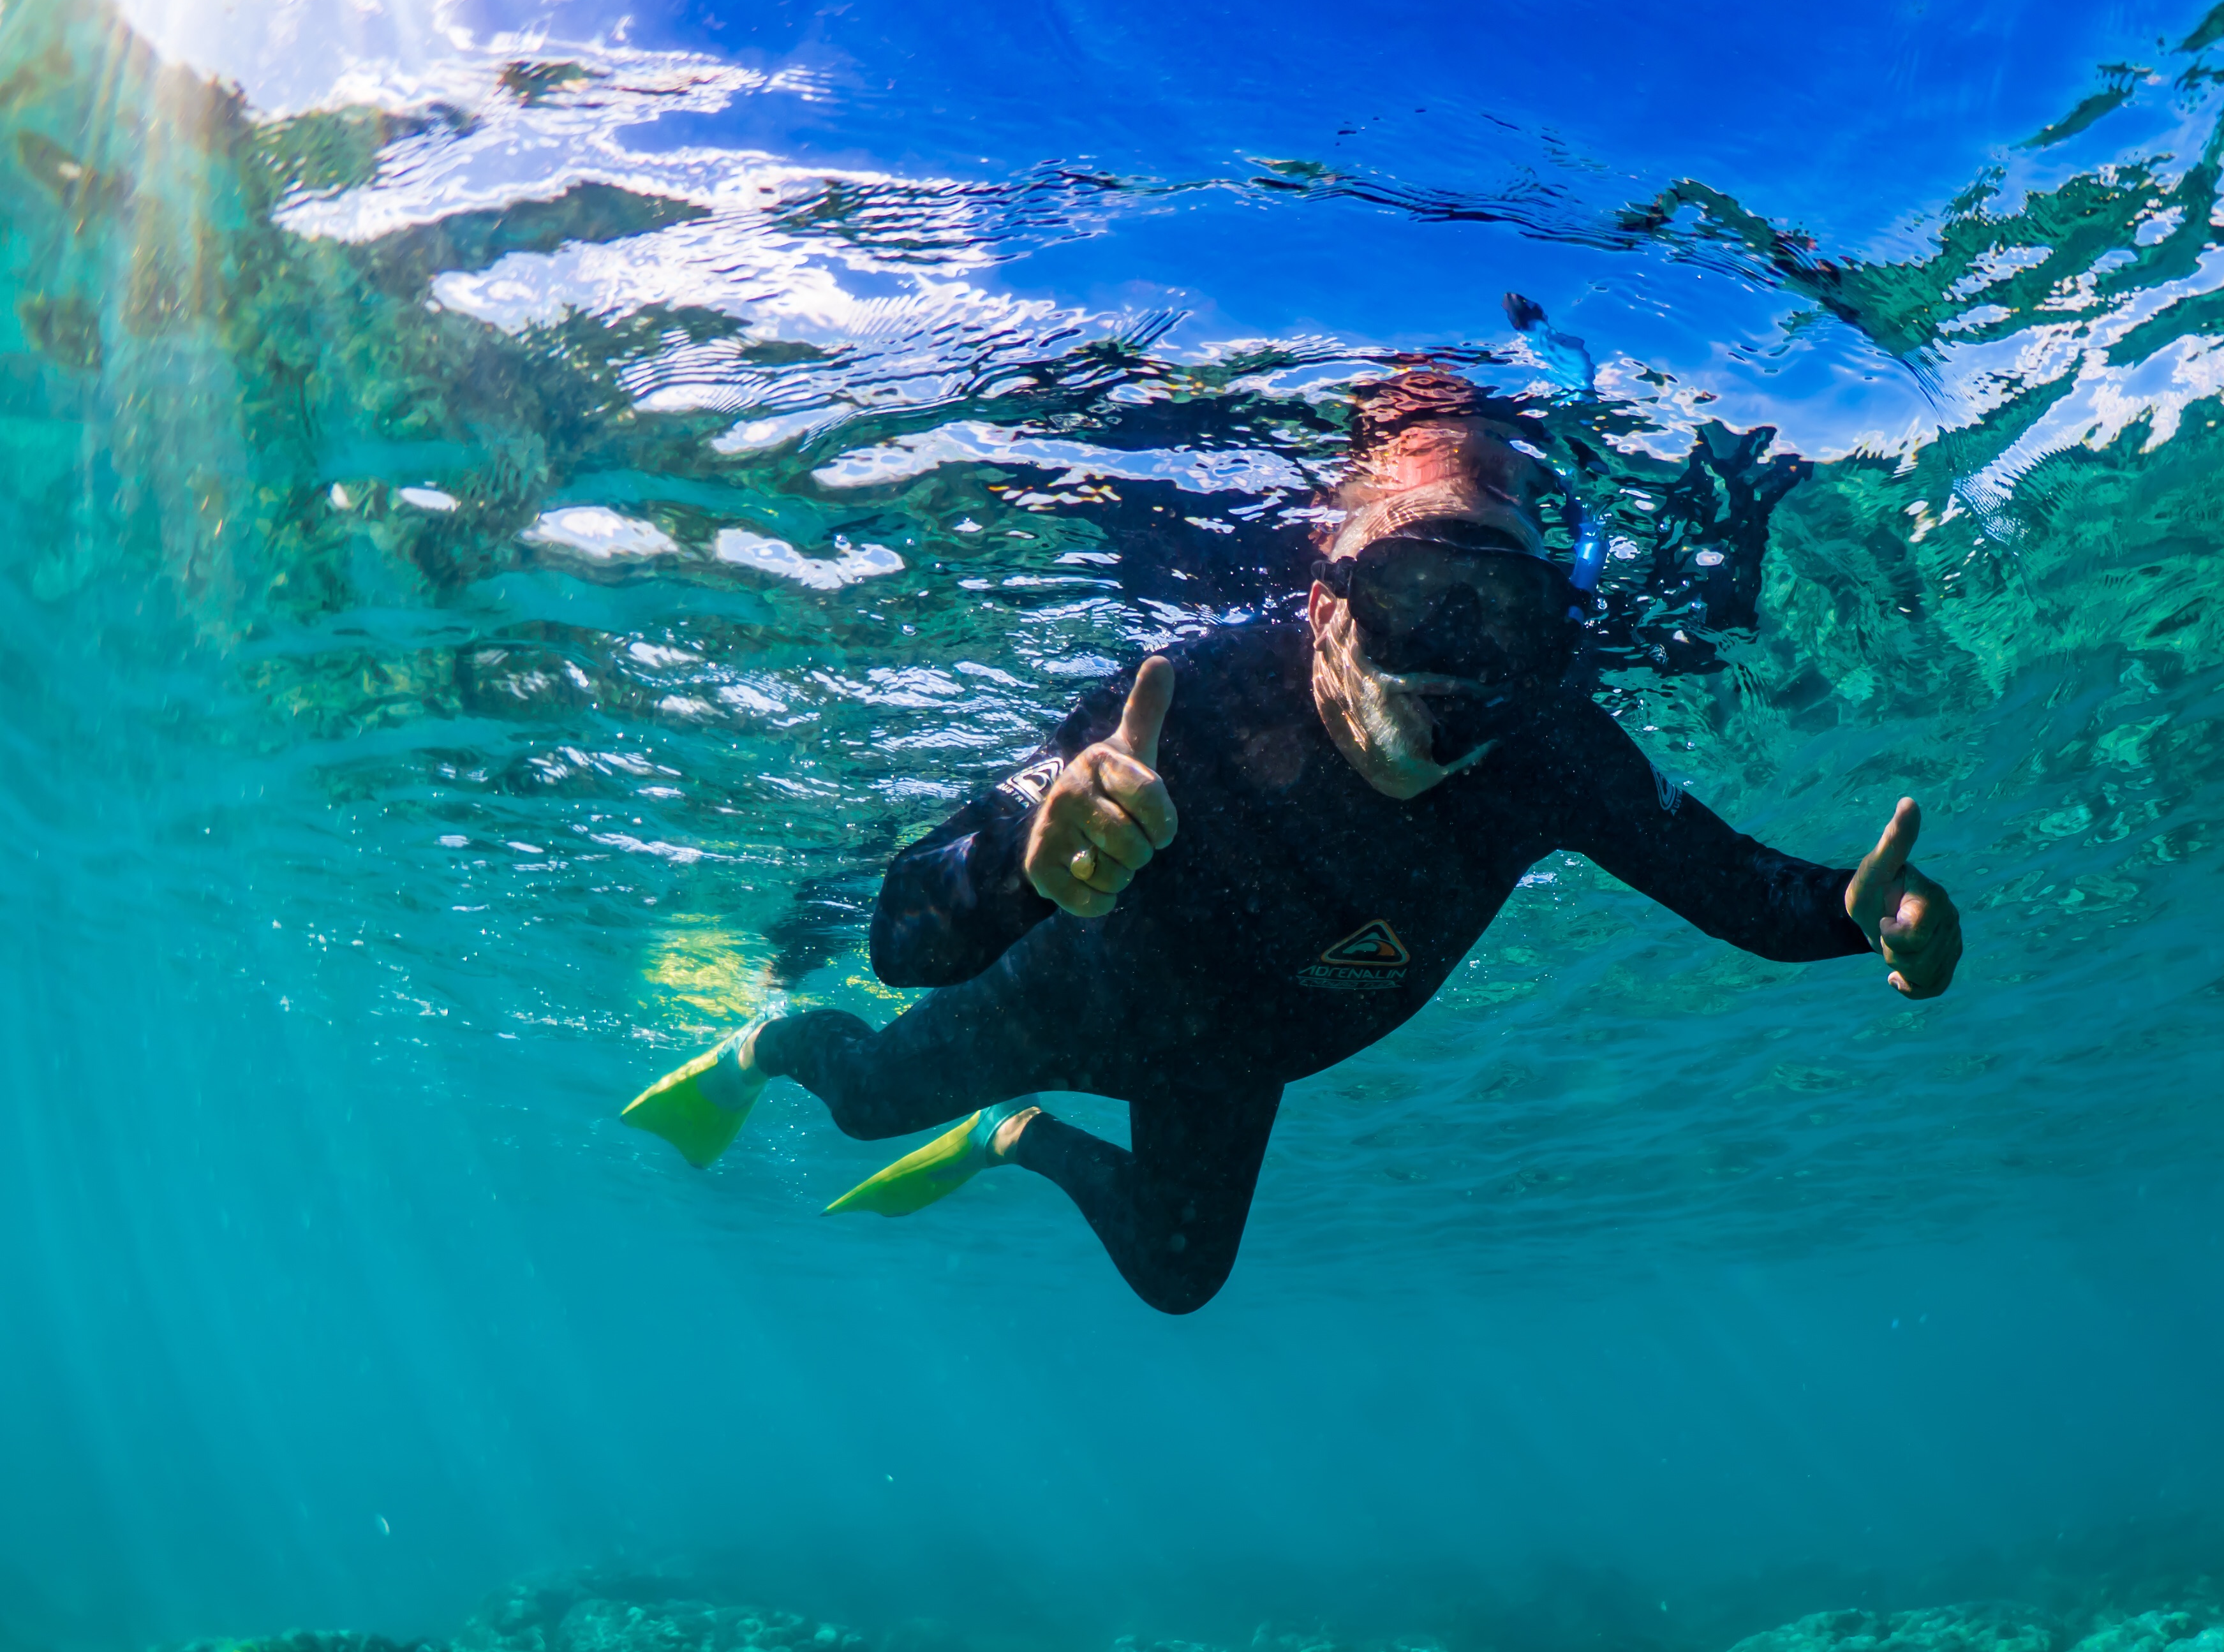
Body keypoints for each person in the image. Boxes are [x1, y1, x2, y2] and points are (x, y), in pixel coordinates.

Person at [621, 371, 1961, 1311]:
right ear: (1325, 604)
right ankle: (766, 1043)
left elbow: (1733, 884)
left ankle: (1013, 1141)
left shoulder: (1544, 749)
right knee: (859, 1102)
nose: (1459, 670)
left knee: (1181, 1279)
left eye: (1505, 621)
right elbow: (909, 938)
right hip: (1067, 999)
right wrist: (1027, 852)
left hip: (1240, 1058)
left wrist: (1864, 915)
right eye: (1415, 603)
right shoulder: (1186, 704)